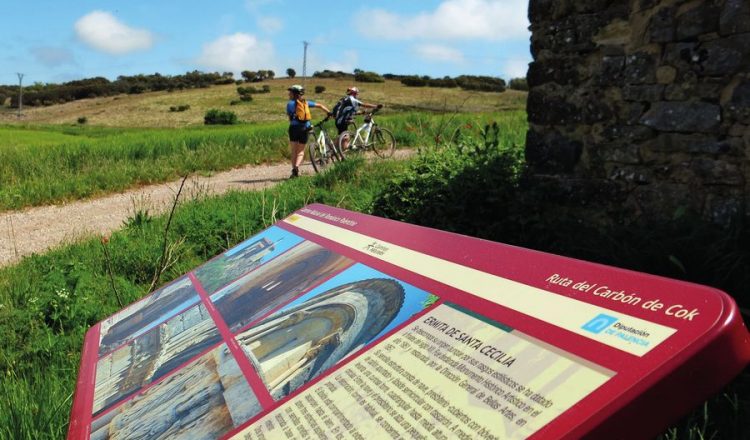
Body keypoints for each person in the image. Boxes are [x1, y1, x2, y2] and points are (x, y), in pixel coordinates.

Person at [286, 84, 331, 178]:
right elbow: (320, 105)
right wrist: (329, 112)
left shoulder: (289, 104)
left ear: (294, 93)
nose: (289, 94)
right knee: (301, 151)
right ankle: (297, 167)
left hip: (293, 129)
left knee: (294, 150)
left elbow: (290, 119)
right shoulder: (306, 103)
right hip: (305, 128)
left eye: (290, 92)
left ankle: (294, 171)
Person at [333, 86, 382, 151]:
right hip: (343, 120)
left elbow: (348, 110)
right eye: (356, 94)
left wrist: (361, 112)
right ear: (354, 93)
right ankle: (343, 155)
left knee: (340, 136)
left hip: (338, 120)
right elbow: (364, 104)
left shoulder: (344, 99)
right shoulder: (352, 99)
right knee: (346, 138)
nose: (357, 95)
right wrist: (376, 106)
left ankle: (333, 150)